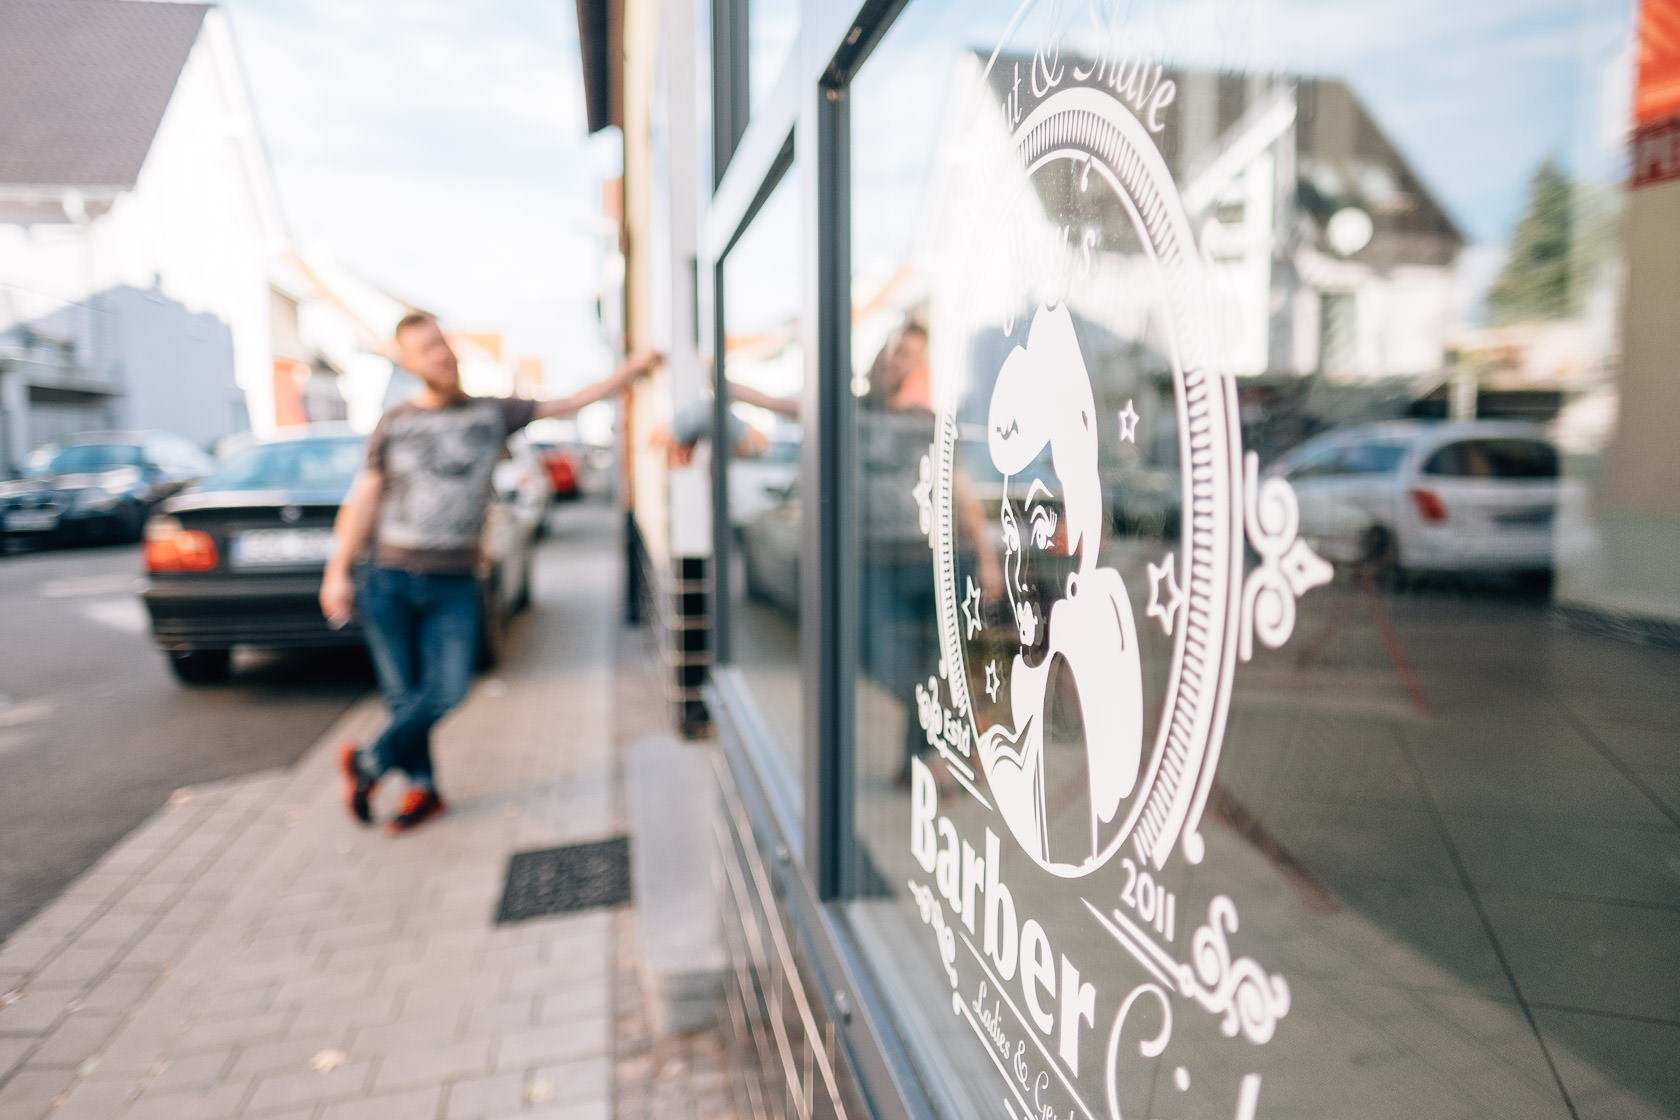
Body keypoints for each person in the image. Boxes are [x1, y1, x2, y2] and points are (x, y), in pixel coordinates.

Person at [320, 311, 658, 832]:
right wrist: (336, 571)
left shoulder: (493, 414)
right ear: (407, 362)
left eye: (442, 344)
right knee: (403, 695)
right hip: (385, 574)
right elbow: (363, 497)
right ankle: (423, 789)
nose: (440, 354)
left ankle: (370, 761)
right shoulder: (394, 423)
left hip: (455, 579)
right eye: (425, 349)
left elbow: (571, 401)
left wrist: (634, 368)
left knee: (449, 689)